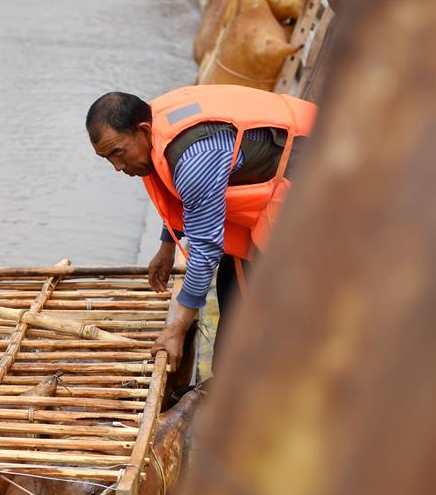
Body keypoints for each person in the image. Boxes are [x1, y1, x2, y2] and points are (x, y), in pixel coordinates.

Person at [86, 86, 317, 375]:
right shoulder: (158, 123)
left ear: (142, 130)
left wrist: (176, 329)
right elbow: (182, 193)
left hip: (318, 179)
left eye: (118, 153)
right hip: (289, 167)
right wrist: (167, 245)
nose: (118, 167)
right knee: (233, 285)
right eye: (107, 158)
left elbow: (206, 249)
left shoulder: (194, 159)